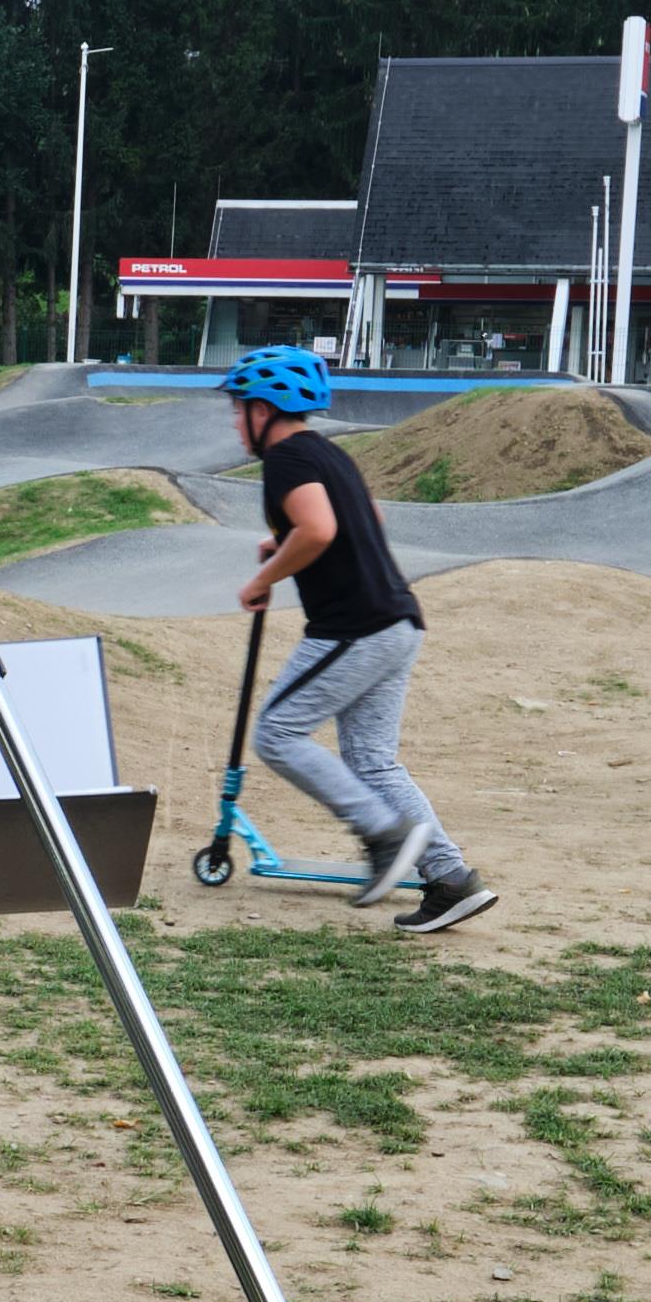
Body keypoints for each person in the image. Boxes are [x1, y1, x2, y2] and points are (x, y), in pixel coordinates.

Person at [223, 342, 497, 936]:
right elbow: (367, 517)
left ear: (263, 410)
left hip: (354, 627)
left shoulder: (285, 459)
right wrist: (285, 542)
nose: (234, 421)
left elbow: (320, 528)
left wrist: (264, 578)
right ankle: (450, 879)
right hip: (398, 621)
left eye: (237, 408)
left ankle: (380, 833)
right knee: (373, 761)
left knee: (276, 733)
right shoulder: (328, 452)